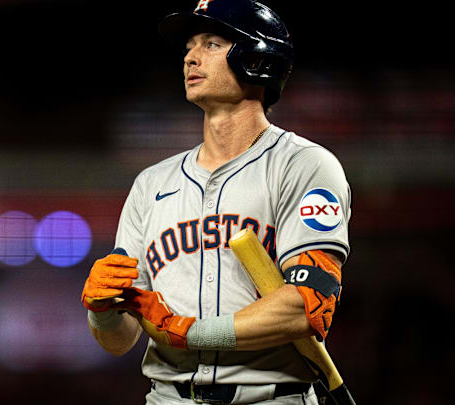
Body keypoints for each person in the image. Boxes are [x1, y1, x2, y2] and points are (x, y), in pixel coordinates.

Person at [81, 0, 351, 404]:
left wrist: (190, 332)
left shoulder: (304, 165)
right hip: (167, 397)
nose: (190, 56)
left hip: (270, 397)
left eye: (211, 43)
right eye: (190, 45)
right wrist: (102, 312)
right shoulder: (151, 183)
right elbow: (121, 341)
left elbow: (308, 306)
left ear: (257, 56)